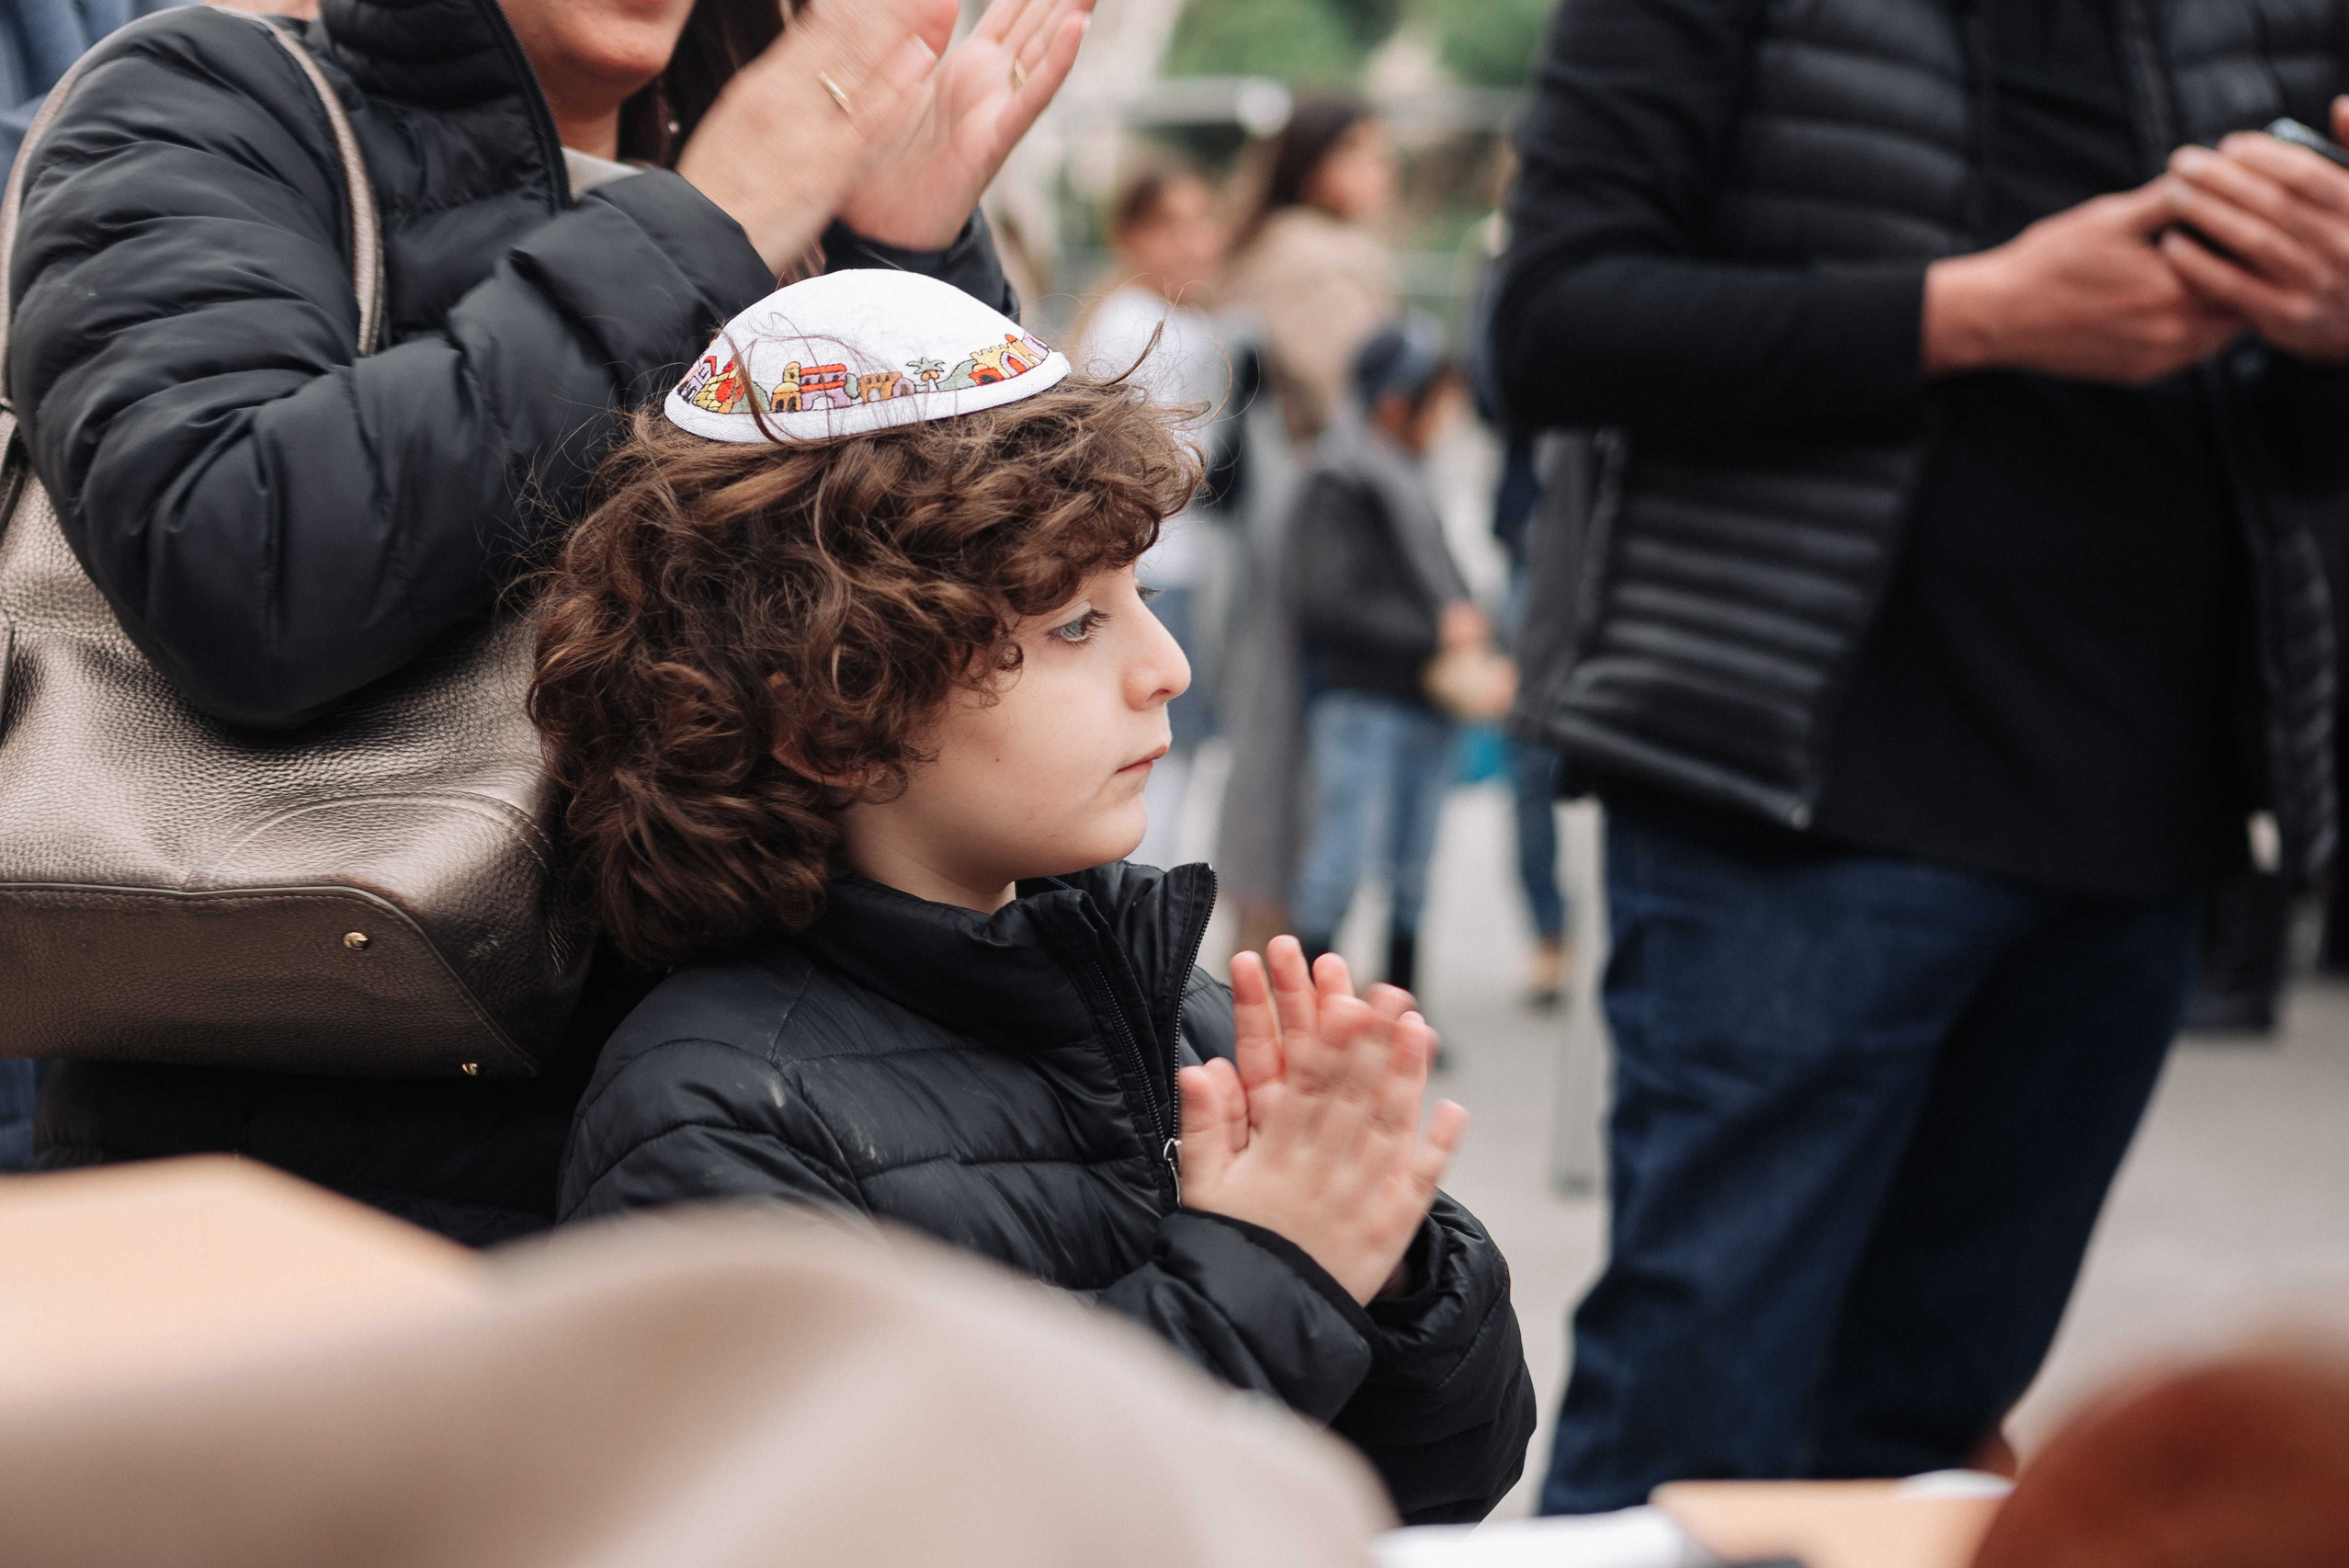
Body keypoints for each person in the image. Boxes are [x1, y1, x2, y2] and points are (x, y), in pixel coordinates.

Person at [9, 0, 1092, 1240]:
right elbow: (235, 570)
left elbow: (963, 647)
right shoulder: (201, 95)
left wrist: (902, 264)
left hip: (778, 1150)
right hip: (324, 1206)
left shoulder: (786, 154)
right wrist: (704, 228)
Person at [1492, 0, 2349, 1513]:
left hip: (2145, 805)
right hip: (1797, 793)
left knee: (1932, 1435)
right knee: (1697, 1417)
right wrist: (1976, 312)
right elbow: (1554, 323)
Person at [538, 270, 1538, 1526]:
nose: (1165, 667)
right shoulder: (709, 1122)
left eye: (1143, 600)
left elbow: (1453, 1470)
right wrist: (1270, 1272)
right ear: (828, 717)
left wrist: (1381, 1257)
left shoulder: (1140, 979)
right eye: (1076, 626)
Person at [1287, 318, 1482, 1000]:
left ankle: (1401, 1011)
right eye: (1438, 401)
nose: (1448, 417)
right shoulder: (1337, 478)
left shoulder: (1412, 479)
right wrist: (1436, 631)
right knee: (1339, 865)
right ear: (1397, 403)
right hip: (1362, 701)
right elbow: (1331, 603)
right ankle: (1309, 1018)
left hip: (1423, 702)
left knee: (1414, 871)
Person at [1076, 163, 1233, 872]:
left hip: (1186, 559)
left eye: (1202, 222)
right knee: (1158, 739)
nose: (1194, 243)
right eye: (1172, 225)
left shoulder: (1183, 319)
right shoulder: (1131, 324)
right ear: (1130, 236)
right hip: (1154, 564)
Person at [1223, 96, 1399, 446]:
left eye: (1381, 156)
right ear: (1311, 161)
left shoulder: (1283, 239)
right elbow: (1345, 389)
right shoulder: (1305, 254)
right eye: (1354, 151)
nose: (1378, 169)